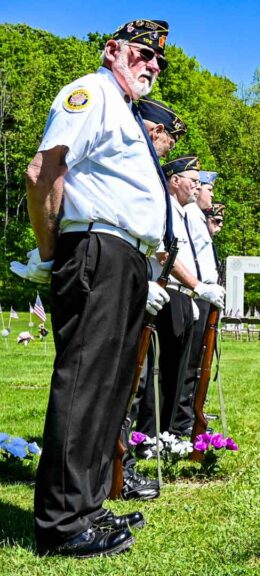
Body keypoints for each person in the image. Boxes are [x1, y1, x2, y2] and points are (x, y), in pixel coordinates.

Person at [19, 19, 171, 558]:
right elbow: (44, 171)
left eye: (158, 61)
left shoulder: (122, 109)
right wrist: (48, 252)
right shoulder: (91, 93)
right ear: (112, 51)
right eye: (142, 53)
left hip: (124, 255)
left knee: (108, 388)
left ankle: (87, 506)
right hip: (96, 249)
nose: (151, 65)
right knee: (85, 383)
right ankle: (62, 524)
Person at [117, 96, 187, 501]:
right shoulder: (131, 158)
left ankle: (119, 465)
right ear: (155, 130)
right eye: (168, 142)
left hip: (144, 274)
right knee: (127, 381)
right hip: (130, 271)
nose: (166, 151)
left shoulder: (143, 166)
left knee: (136, 379)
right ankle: (115, 466)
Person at [174, 170, 221, 437]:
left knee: (197, 362)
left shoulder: (197, 217)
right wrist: (200, 288)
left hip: (203, 293)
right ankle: (182, 422)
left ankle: (188, 416)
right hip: (196, 292)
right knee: (189, 364)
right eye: (207, 188)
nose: (209, 194)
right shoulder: (190, 213)